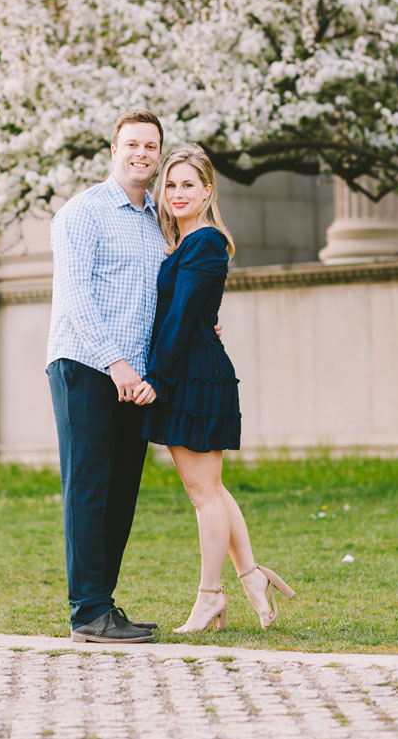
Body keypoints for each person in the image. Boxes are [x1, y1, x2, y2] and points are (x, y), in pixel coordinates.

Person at [135, 144, 296, 634]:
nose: (177, 192)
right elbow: (190, 311)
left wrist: (155, 381)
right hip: (192, 368)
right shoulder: (186, 242)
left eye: (188, 184)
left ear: (208, 190)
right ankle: (250, 576)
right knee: (209, 489)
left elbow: (182, 319)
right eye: (171, 184)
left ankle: (210, 597)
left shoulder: (204, 241)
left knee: (202, 493)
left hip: (194, 376)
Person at [46, 109, 167, 643]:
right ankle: (86, 612)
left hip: (135, 378)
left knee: (122, 492)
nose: (142, 153)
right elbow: (75, 297)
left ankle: (103, 606)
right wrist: (114, 363)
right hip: (86, 365)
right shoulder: (83, 213)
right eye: (132, 145)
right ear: (113, 151)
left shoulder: (157, 222)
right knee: (89, 488)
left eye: (151, 146)